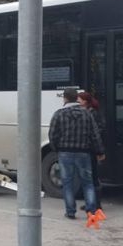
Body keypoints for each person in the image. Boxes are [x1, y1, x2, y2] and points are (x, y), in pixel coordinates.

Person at [48, 88, 105, 221]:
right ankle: (91, 211)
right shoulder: (87, 114)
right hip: (83, 153)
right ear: (76, 98)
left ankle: (70, 211)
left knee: (67, 183)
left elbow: (53, 135)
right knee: (88, 183)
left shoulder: (59, 114)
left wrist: (57, 149)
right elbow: (94, 135)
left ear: (65, 98)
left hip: (65, 152)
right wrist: (100, 151)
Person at [78, 91, 105, 211]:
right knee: (88, 177)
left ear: (85, 101)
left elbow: (96, 132)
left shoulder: (92, 114)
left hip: (92, 149)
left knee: (93, 177)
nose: (77, 101)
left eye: (79, 99)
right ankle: (91, 202)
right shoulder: (88, 112)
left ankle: (96, 205)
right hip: (89, 149)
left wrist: (99, 151)